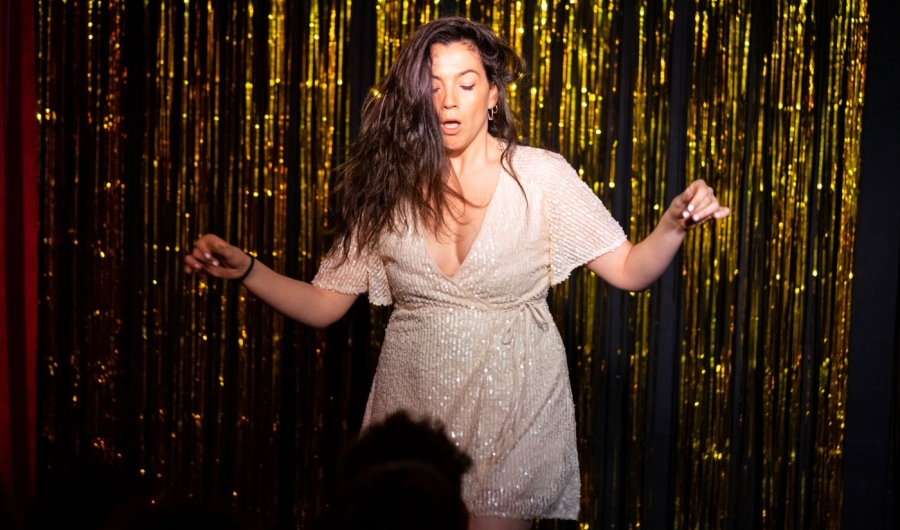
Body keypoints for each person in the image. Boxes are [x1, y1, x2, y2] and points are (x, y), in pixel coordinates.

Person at [184, 16, 729, 530]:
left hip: (515, 408)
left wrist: (674, 224)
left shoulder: (541, 177)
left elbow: (630, 269)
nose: (448, 100)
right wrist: (247, 270)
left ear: (493, 95)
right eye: (434, 84)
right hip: (413, 413)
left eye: (466, 84)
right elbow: (326, 304)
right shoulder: (390, 188)